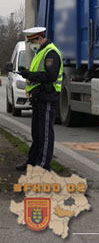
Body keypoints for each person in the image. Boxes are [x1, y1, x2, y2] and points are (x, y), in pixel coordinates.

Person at [15, 27, 63, 171]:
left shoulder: (51, 53)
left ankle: (43, 166)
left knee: (45, 134)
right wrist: (28, 73)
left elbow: (50, 76)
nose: (31, 45)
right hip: (39, 97)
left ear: (40, 39)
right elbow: (39, 72)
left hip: (48, 96)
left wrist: (29, 75)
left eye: (32, 42)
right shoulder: (41, 51)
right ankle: (32, 162)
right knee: (37, 133)